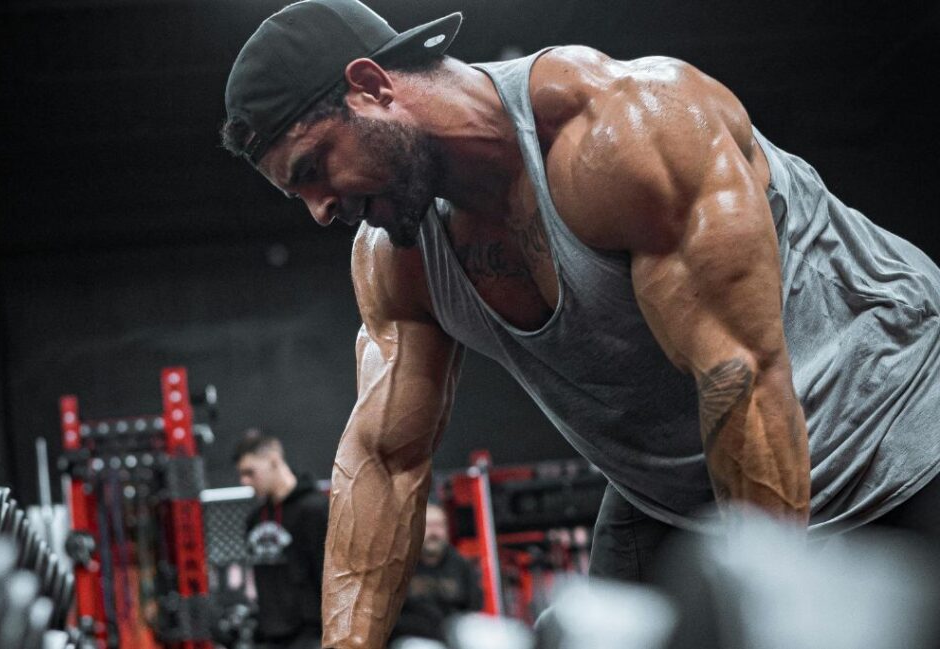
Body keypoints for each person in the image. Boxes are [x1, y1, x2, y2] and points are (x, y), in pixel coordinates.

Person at [220, 1, 940, 646]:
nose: (319, 209)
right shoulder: (392, 255)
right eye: (296, 192)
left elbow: (740, 380)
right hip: (675, 488)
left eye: (313, 167)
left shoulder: (627, 128)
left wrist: (763, 613)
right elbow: (385, 461)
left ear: (372, 85)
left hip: (892, 423)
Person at [234, 429, 329, 649]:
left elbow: (329, 575)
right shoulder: (255, 519)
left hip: (312, 635)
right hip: (271, 637)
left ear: (273, 461)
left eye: (250, 472)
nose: (245, 481)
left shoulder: (315, 510)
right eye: (241, 474)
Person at [389, 503, 483, 644]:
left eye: (439, 525)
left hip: (453, 637)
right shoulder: (397, 567)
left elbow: (473, 608)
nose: (434, 533)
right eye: (428, 525)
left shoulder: (461, 565)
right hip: (410, 639)